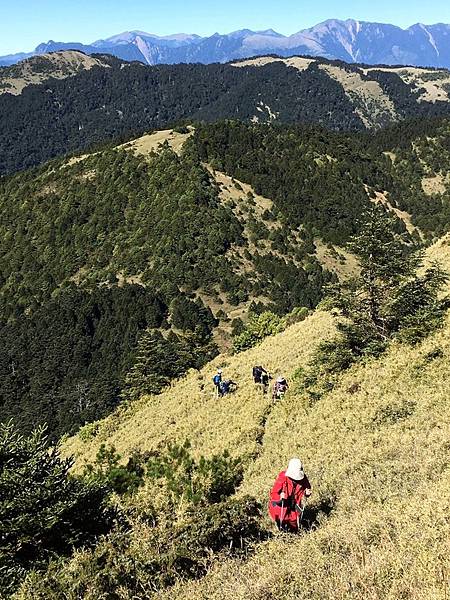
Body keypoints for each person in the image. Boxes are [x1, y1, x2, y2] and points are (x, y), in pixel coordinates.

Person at [268, 458, 312, 532]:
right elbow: (273, 493)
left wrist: (306, 493)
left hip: (294, 506)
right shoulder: (283, 477)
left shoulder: (303, 478)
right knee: (282, 526)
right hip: (281, 506)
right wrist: (280, 496)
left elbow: (307, 489)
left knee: (294, 526)